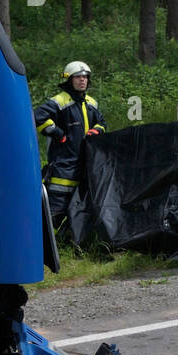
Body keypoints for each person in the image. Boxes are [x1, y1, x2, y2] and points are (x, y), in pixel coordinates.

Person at [35, 60, 107, 236]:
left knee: (80, 208)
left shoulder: (92, 103)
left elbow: (102, 123)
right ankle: (45, 245)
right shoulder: (59, 101)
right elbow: (38, 117)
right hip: (63, 166)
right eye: (78, 77)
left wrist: (96, 131)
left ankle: (71, 241)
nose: (82, 80)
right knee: (56, 209)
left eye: (85, 77)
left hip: (85, 165)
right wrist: (58, 133)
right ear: (69, 79)